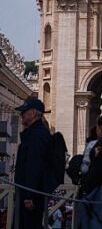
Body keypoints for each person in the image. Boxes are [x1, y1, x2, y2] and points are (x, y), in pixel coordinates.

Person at [14, 98, 53, 229]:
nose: (21, 115)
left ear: (32, 113)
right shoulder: (37, 133)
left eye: (24, 111)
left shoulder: (36, 135)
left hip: (29, 197)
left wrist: (29, 195)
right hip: (29, 194)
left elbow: (34, 165)